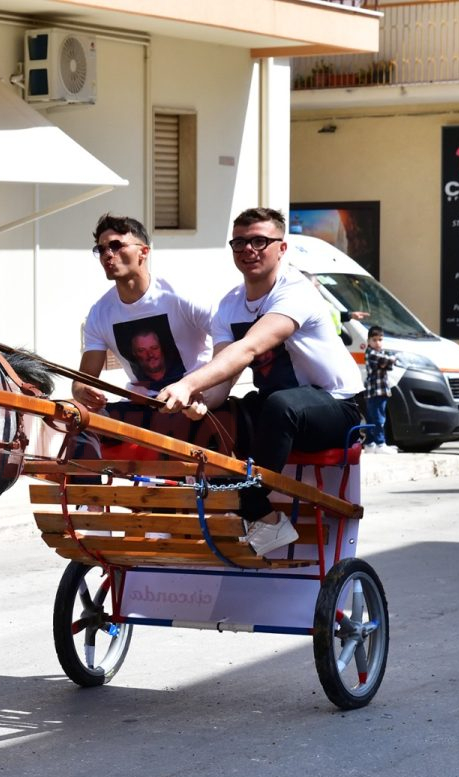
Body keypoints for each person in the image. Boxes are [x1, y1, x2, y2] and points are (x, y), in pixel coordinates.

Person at [156, 207, 363, 555]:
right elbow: (225, 373)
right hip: (278, 409)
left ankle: (251, 503)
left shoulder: (295, 292)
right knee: (222, 417)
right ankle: (191, 512)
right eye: (239, 243)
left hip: (337, 408)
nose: (248, 250)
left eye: (259, 241)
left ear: (281, 248)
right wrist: (203, 402)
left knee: (279, 404)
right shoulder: (229, 305)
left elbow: (248, 348)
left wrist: (188, 384)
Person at [73, 214, 216, 408]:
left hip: (194, 405)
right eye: (101, 249)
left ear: (144, 252)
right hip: (140, 407)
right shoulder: (99, 313)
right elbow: (84, 379)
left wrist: (206, 391)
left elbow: (231, 346)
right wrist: (82, 391)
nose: (107, 254)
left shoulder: (180, 296)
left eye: (116, 246)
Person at [363, 325, 398, 454]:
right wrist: (391, 359)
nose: (378, 343)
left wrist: (387, 362)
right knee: (378, 418)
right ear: (368, 341)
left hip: (381, 390)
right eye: (374, 340)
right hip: (375, 391)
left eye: (380, 340)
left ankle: (370, 444)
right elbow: (388, 360)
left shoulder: (379, 353)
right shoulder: (370, 353)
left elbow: (388, 366)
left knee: (373, 418)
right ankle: (380, 443)